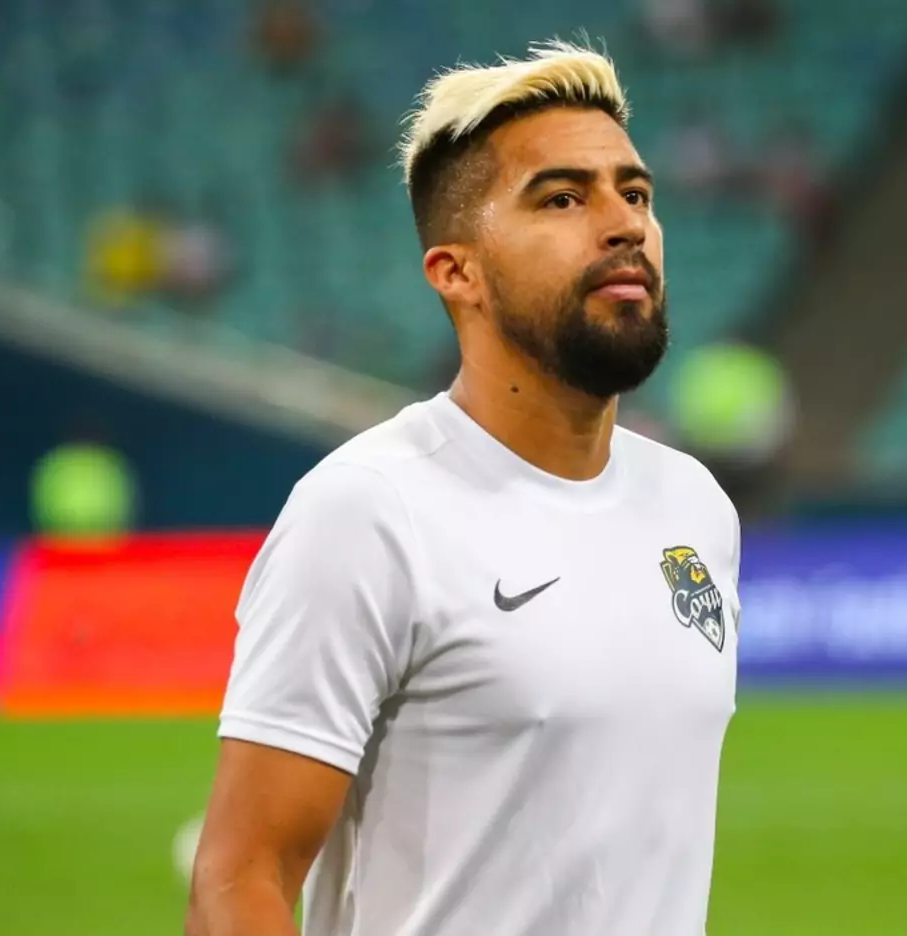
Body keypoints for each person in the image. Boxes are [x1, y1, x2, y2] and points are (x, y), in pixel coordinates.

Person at [186, 41, 742, 936]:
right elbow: (237, 881)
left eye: (635, 194)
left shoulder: (696, 508)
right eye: (563, 199)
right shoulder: (371, 512)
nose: (625, 225)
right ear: (458, 272)